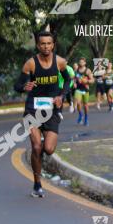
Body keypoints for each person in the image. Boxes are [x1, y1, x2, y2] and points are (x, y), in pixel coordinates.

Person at [14, 31, 72, 197]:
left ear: (53, 45)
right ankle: (37, 184)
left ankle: (40, 152)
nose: (46, 46)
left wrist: (61, 96)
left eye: (49, 43)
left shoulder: (60, 62)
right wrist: (24, 87)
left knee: (49, 149)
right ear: (38, 45)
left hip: (51, 110)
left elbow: (68, 80)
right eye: (42, 44)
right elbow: (17, 85)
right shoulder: (30, 64)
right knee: (37, 147)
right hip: (32, 109)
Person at [74, 58, 94, 125]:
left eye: (82, 62)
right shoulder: (76, 70)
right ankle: (80, 115)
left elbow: (92, 80)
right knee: (78, 102)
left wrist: (87, 81)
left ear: (85, 63)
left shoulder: (87, 71)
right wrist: (74, 83)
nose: (81, 63)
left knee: (85, 105)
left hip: (85, 89)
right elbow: (74, 78)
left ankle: (86, 118)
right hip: (78, 89)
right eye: (80, 62)